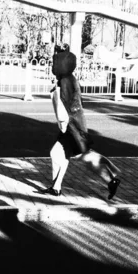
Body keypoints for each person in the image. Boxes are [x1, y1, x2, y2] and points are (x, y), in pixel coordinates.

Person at [41, 44, 121, 199]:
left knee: (81, 155)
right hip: (75, 124)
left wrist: (63, 122)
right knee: (61, 154)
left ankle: (111, 179)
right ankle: (56, 187)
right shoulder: (69, 79)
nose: (53, 65)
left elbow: (65, 108)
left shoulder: (65, 81)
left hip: (72, 126)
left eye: (55, 63)